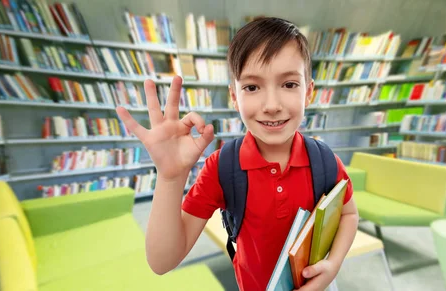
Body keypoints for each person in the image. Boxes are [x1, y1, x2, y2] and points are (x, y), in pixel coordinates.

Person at [116, 17, 359, 291]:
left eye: (289, 84)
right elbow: (162, 262)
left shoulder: (324, 160)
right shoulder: (222, 168)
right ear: (234, 96)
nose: (271, 105)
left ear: (309, 92)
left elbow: (349, 215)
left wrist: (334, 264)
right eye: (252, 87)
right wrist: (170, 178)